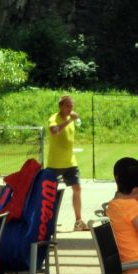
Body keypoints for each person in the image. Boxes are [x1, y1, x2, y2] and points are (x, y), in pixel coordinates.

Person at [46, 95, 87, 231]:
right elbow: (54, 131)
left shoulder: (71, 118)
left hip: (70, 162)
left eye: (71, 106)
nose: (70, 108)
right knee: (50, 193)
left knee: (77, 188)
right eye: (68, 106)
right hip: (55, 163)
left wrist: (71, 119)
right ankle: (47, 223)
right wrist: (69, 120)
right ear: (61, 106)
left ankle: (78, 221)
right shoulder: (54, 118)